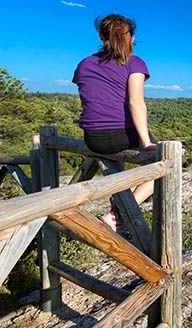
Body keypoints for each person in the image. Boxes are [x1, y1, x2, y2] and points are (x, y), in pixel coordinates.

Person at [72, 14, 155, 230]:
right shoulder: (134, 63)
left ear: (100, 35)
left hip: (93, 139)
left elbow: (92, 97)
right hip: (120, 136)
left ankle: (120, 197)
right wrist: (146, 143)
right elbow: (136, 103)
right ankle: (117, 214)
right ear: (132, 38)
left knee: (124, 161)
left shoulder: (84, 64)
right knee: (163, 166)